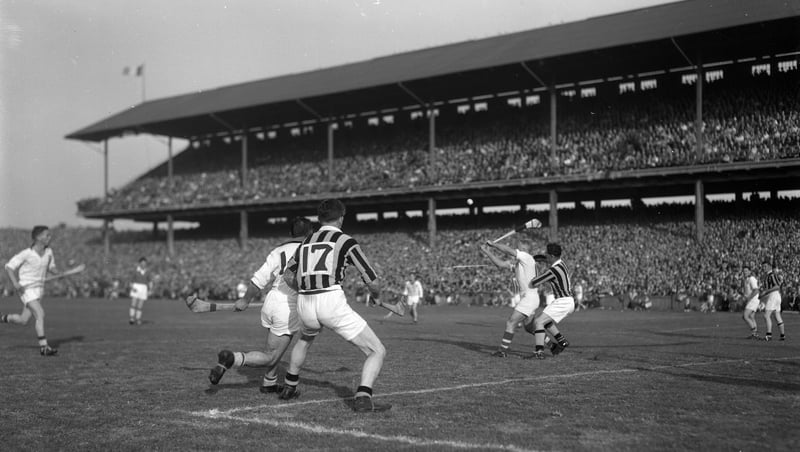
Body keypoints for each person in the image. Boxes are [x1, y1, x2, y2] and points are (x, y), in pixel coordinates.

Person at [281, 199, 393, 412]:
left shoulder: (306, 241)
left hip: (305, 301)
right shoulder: (345, 240)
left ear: (319, 219)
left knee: (304, 340)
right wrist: (376, 296)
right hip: (330, 300)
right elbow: (371, 279)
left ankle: (289, 386)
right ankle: (363, 397)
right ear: (341, 217)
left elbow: (287, 275)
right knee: (376, 350)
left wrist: (304, 290)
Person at [208, 217, 314, 394]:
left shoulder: (277, 250)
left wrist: (245, 300)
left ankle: (269, 382)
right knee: (271, 355)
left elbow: (259, 279)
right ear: (310, 233)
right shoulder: (310, 250)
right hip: (288, 305)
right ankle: (232, 359)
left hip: (271, 300)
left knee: (274, 349)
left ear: (291, 233)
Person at [480, 237, 544, 358]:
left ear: (524, 248)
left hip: (529, 298)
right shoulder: (520, 262)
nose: (516, 249)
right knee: (529, 327)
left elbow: (508, 251)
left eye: (518, 246)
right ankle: (552, 345)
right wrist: (487, 251)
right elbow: (500, 264)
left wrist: (493, 244)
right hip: (530, 298)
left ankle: (502, 351)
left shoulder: (526, 257)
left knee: (511, 322)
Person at [2, 225, 59, 356]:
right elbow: (9, 267)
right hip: (25, 288)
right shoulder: (26, 253)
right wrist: (15, 283)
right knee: (40, 313)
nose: (50, 237)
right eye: (47, 235)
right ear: (38, 237)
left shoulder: (49, 252)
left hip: (39, 289)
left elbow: (52, 267)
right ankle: (44, 347)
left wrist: (59, 273)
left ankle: (2, 318)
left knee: (23, 320)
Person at [526, 242, 574, 360]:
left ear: (552, 256)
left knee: (538, 322)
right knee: (545, 320)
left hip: (563, 301)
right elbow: (550, 263)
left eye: (547, 254)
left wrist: (530, 266)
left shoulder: (554, 270)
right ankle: (561, 341)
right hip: (565, 301)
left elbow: (535, 282)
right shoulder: (561, 264)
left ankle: (539, 352)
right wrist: (542, 260)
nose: (545, 255)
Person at [759, 260, 785, 341]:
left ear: (770, 266)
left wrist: (765, 292)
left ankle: (769, 335)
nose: (763, 268)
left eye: (765, 266)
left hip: (773, 296)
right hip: (776, 296)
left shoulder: (771, 275)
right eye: (763, 266)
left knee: (766, 315)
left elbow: (777, 286)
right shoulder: (768, 275)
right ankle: (782, 335)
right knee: (777, 316)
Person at [740, 263, 761, 339]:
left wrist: (749, 298)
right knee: (751, 317)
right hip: (753, 299)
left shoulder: (752, 279)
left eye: (746, 271)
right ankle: (754, 334)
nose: (744, 272)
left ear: (749, 271)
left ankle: (755, 333)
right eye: (743, 271)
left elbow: (756, 290)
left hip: (754, 299)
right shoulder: (746, 279)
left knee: (745, 316)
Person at [128, 257, 152, 325]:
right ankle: (132, 318)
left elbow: (150, 281)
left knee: (140, 305)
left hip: (144, 288)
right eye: (142, 263)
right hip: (136, 287)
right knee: (133, 303)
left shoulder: (147, 272)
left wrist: (150, 289)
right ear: (140, 263)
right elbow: (131, 281)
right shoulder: (135, 271)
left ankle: (138, 319)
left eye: (145, 263)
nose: (143, 264)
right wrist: (132, 287)